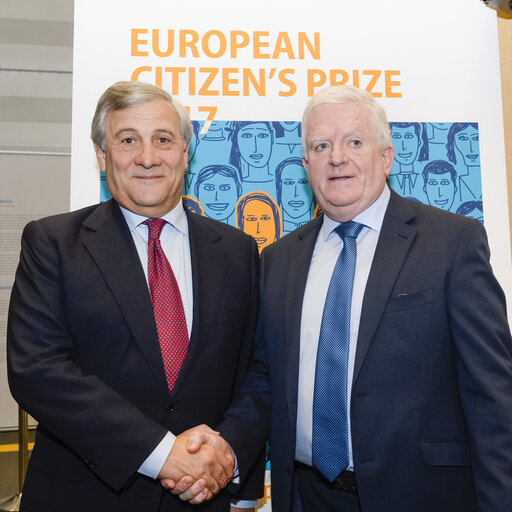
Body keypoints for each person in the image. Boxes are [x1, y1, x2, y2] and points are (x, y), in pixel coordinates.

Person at [174, 84, 512, 511]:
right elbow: (266, 377)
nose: (337, 157)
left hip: (422, 495)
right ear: (305, 164)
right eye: (321, 145)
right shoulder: (279, 259)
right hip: (307, 495)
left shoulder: (451, 242)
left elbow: (493, 394)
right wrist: (227, 445)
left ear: (385, 156)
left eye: (354, 141)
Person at [7, 81, 263, 512]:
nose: (147, 157)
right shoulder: (53, 242)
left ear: (186, 151)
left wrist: (230, 456)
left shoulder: (237, 250)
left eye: (163, 139)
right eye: (128, 140)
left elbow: (257, 370)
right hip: (84, 497)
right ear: (102, 154)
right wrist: (163, 454)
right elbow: (37, 369)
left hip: (204, 497)